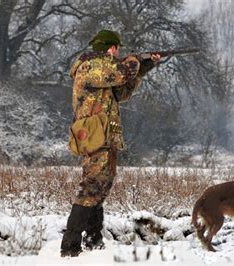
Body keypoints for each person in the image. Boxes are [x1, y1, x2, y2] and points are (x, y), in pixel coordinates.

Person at [60, 29, 161, 257]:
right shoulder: (92, 65)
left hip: (105, 134)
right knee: (92, 186)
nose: (119, 53)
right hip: (95, 134)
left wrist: (145, 66)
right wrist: (136, 60)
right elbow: (123, 72)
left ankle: (93, 242)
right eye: (118, 49)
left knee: (101, 185)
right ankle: (70, 246)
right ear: (112, 47)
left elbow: (122, 91)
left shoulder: (104, 70)